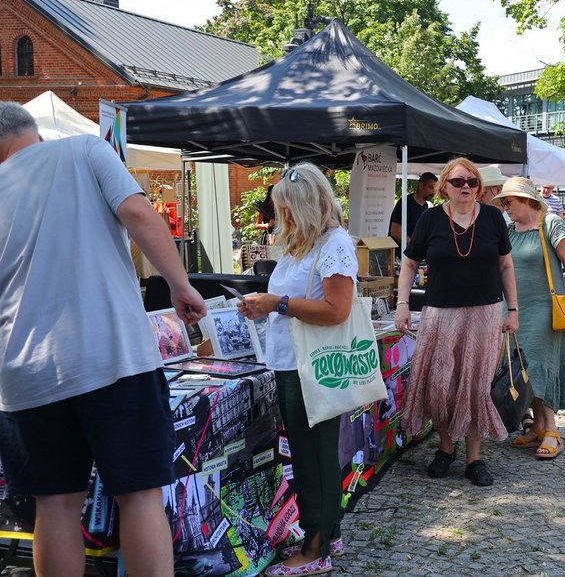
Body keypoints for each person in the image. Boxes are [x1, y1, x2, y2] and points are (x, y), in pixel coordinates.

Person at [0, 102, 208, 576]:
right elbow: (138, 212)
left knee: (54, 506)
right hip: (112, 356)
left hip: (26, 373)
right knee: (138, 497)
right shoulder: (85, 150)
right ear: (33, 133)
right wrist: (179, 283)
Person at [238, 163, 356, 575]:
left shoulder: (334, 244)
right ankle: (328, 533)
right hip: (294, 364)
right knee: (312, 455)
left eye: (285, 207)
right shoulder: (303, 244)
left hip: (312, 368)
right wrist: (263, 307)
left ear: (303, 206)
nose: (279, 215)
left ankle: (316, 547)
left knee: (313, 459)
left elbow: (337, 310)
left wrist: (278, 304)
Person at [394, 158, 518, 487]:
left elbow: (506, 267)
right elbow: (408, 265)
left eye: (472, 182)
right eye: (459, 182)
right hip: (440, 314)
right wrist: (402, 304)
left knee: (475, 386)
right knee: (441, 385)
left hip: (484, 313)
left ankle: (474, 458)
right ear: (444, 185)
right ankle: (446, 448)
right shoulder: (431, 219)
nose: (466, 187)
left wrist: (514, 311)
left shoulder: (492, 217)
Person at [492, 178, 565, 459]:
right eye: (504, 203)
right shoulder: (508, 229)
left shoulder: (550, 223)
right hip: (515, 310)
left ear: (526, 200)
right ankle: (538, 427)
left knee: (540, 366)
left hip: (545, 309)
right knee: (522, 367)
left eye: (509, 202)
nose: (506, 207)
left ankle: (553, 431)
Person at [389, 171, 437, 246]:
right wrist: (414, 247)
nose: (434, 191)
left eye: (435, 188)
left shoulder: (425, 206)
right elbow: (395, 231)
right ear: (421, 186)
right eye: (431, 187)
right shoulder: (406, 202)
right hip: (400, 254)